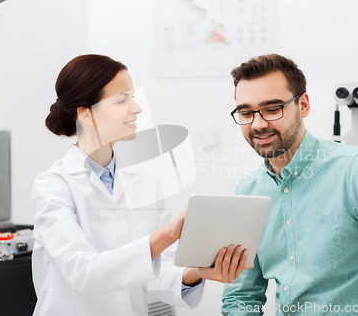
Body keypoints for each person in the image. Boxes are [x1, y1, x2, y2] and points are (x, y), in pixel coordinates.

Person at [221, 54, 358, 315]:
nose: (258, 124)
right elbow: (240, 295)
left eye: (272, 109)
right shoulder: (248, 192)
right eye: (246, 113)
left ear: (303, 105)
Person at [32, 54, 249, 316]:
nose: (137, 108)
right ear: (86, 114)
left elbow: (155, 271)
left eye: (132, 96)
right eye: (122, 99)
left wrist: (197, 272)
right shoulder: (52, 187)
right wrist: (168, 233)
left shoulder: (144, 183)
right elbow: (84, 274)